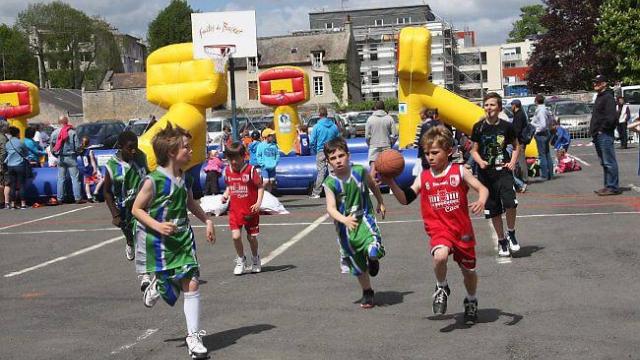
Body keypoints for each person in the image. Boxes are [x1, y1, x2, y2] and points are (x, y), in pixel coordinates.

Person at [382, 126, 488, 323]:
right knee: (440, 257)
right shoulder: (424, 176)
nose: (430, 157)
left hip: (462, 231)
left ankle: (471, 300)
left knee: (469, 272)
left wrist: (481, 199)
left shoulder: (459, 172)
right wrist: (391, 183)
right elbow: (405, 199)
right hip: (439, 230)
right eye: (427, 153)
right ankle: (441, 286)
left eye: (435, 152)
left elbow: (482, 188)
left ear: (448, 151)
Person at [131, 123, 215, 360]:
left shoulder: (184, 176)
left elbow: (190, 203)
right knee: (170, 286)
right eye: (186, 148)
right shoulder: (153, 181)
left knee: (192, 283)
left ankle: (194, 337)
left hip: (183, 239)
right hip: (160, 242)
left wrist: (206, 220)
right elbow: (136, 209)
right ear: (171, 153)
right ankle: (157, 286)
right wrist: (157, 225)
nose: (190, 151)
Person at [323, 137, 386, 309]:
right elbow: (330, 207)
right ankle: (367, 291)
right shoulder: (329, 183)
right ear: (329, 162)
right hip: (345, 229)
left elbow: (373, 184)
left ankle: (373, 258)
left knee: (372, 242)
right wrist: (344, 219)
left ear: (348, 155)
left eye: (341, 156)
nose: (338, 160)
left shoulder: (359, 171)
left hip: (364, 217)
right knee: (357, 264)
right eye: (333, 158)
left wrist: (380, 202)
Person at [470, 92, 521, 257]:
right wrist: (479, 161)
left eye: (492, 105)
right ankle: (501, 241)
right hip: (486, 174)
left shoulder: (506, 126)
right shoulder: (478, 127)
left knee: (510, 203)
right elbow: (474, 150)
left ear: (499, 107)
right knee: (494, 209)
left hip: (503, 170)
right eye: (486, 105)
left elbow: (516, 146)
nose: (488, 107)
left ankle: (511, 233)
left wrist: (513, 161)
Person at [103, 131, 150, 278]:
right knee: (130, 234)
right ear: (121, 147)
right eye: (130, 147)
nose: (134, 150)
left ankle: (145, 276)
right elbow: (107, 192)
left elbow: (148, 177)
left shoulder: (141, 157)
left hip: (142, 206)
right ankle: (129, 241)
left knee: (143, 236)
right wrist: (115, 214)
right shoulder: (112, 165)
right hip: (124, 208)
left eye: (135, 146)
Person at [222, 142, 264, 275]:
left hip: (250, 211)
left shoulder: (251, 170)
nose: (233, 161)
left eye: (236, 158)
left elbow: (260, 186)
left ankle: (256, 258)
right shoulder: (228, 170)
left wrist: (258, 203)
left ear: (243, 156)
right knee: (235, 236)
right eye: (230, 158)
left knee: (251, 238)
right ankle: (241, 259)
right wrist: (226, 194)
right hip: (235, 211)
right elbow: (230, 185)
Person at [590, 75, 621, 196]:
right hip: (598, 135)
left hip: (605, 134)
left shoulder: (608, 97)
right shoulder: (599, 97)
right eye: (594, 82)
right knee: (604, 161)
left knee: (609, 161)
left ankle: (613, 186)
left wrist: (601, 130)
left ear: (604, 84)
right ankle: (608, 185)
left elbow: (611, 117)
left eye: (597, 82)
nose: (595, 84)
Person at [50, 115, 84, 204]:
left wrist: (56, 155)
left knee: (61, 179)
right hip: (71, 157)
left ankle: (60, 198)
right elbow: (77, 147)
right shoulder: (72, 132)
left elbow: (52, 148)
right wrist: (77, 153)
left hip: (60, 157)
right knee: (75, 179)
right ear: (67, 122)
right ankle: (77, 198)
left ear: (58, 122)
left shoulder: (54, 133)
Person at [309, 106, 340, 199]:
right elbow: (338, 139)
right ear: (327, 114)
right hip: (332, 150)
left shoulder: (317, 126)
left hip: (321, 150)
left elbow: (312, 141)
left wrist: (315, 149)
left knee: (321, 172)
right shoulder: (334, 126)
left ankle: (316, 192)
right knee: (333, 171)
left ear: (319, 115)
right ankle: (336, 190)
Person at [365, 100, 398, 180]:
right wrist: (391, 143)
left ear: (375, 108)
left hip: (374, 145)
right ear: (384, 108)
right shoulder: (389, 118)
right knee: (388, 167)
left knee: (373, 167)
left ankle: (372, 188)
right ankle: (391, 186)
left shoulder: (370, 119)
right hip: (386, 145)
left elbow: (367, 136)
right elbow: (395, 135)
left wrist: (369, 144)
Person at [4, 126, 28, 209]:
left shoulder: (8, 143)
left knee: (12, 185)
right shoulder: (20, 142)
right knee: (21, 185)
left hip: (10, 166)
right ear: (18, 133)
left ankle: (13, 204)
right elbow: (26, 152)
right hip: (19, 165)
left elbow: (6, 153)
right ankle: (23, 204)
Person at [531, 95, 553, 181]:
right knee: (547, 154)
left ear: (536, 101)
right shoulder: (546, 109)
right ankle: (550, 174)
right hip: (546, 133)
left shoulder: (540, 110)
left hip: (541, 134)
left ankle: (545, 175)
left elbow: (543, 125)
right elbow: (551, 120)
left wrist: (536, 131)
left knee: (542, 155)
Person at [78, 136, 103, 203]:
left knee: (87, 183)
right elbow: (92, 160)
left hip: (85, 169)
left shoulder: (81, 151)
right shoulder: (90, 151)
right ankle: (95, 192)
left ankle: (89, 196)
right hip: (90, 168)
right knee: (101, 179)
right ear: (89, 143)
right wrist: (95, 169)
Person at [510, 100, 529, 186]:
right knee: (519, 159)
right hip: (521, 140)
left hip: (520, 141)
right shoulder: (521, 114)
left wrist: (513, 138)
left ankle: (524, 178)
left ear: (515, 105)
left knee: (521, 160)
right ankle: (522, 177)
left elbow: (517, 129)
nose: (511, 107)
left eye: (512, 105)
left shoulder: (518, 115)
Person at [256, 128, 280, 193]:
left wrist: (276, 162)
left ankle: (269, 194)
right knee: (266, 181)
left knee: (271, 182)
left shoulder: (274, 145)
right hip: (265, 167)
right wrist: (262, 164)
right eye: (271, 135)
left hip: (272, 166)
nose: (273, 137)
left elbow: (277, 154)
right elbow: (258, 155)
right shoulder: (261, 145)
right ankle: (260, 192)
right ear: (267, 136)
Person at [0, 121, 8, 208]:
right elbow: (3, 152)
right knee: (2, 182)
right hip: (2, 163)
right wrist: (2, 163)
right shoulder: (3, 138)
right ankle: (2, 202)